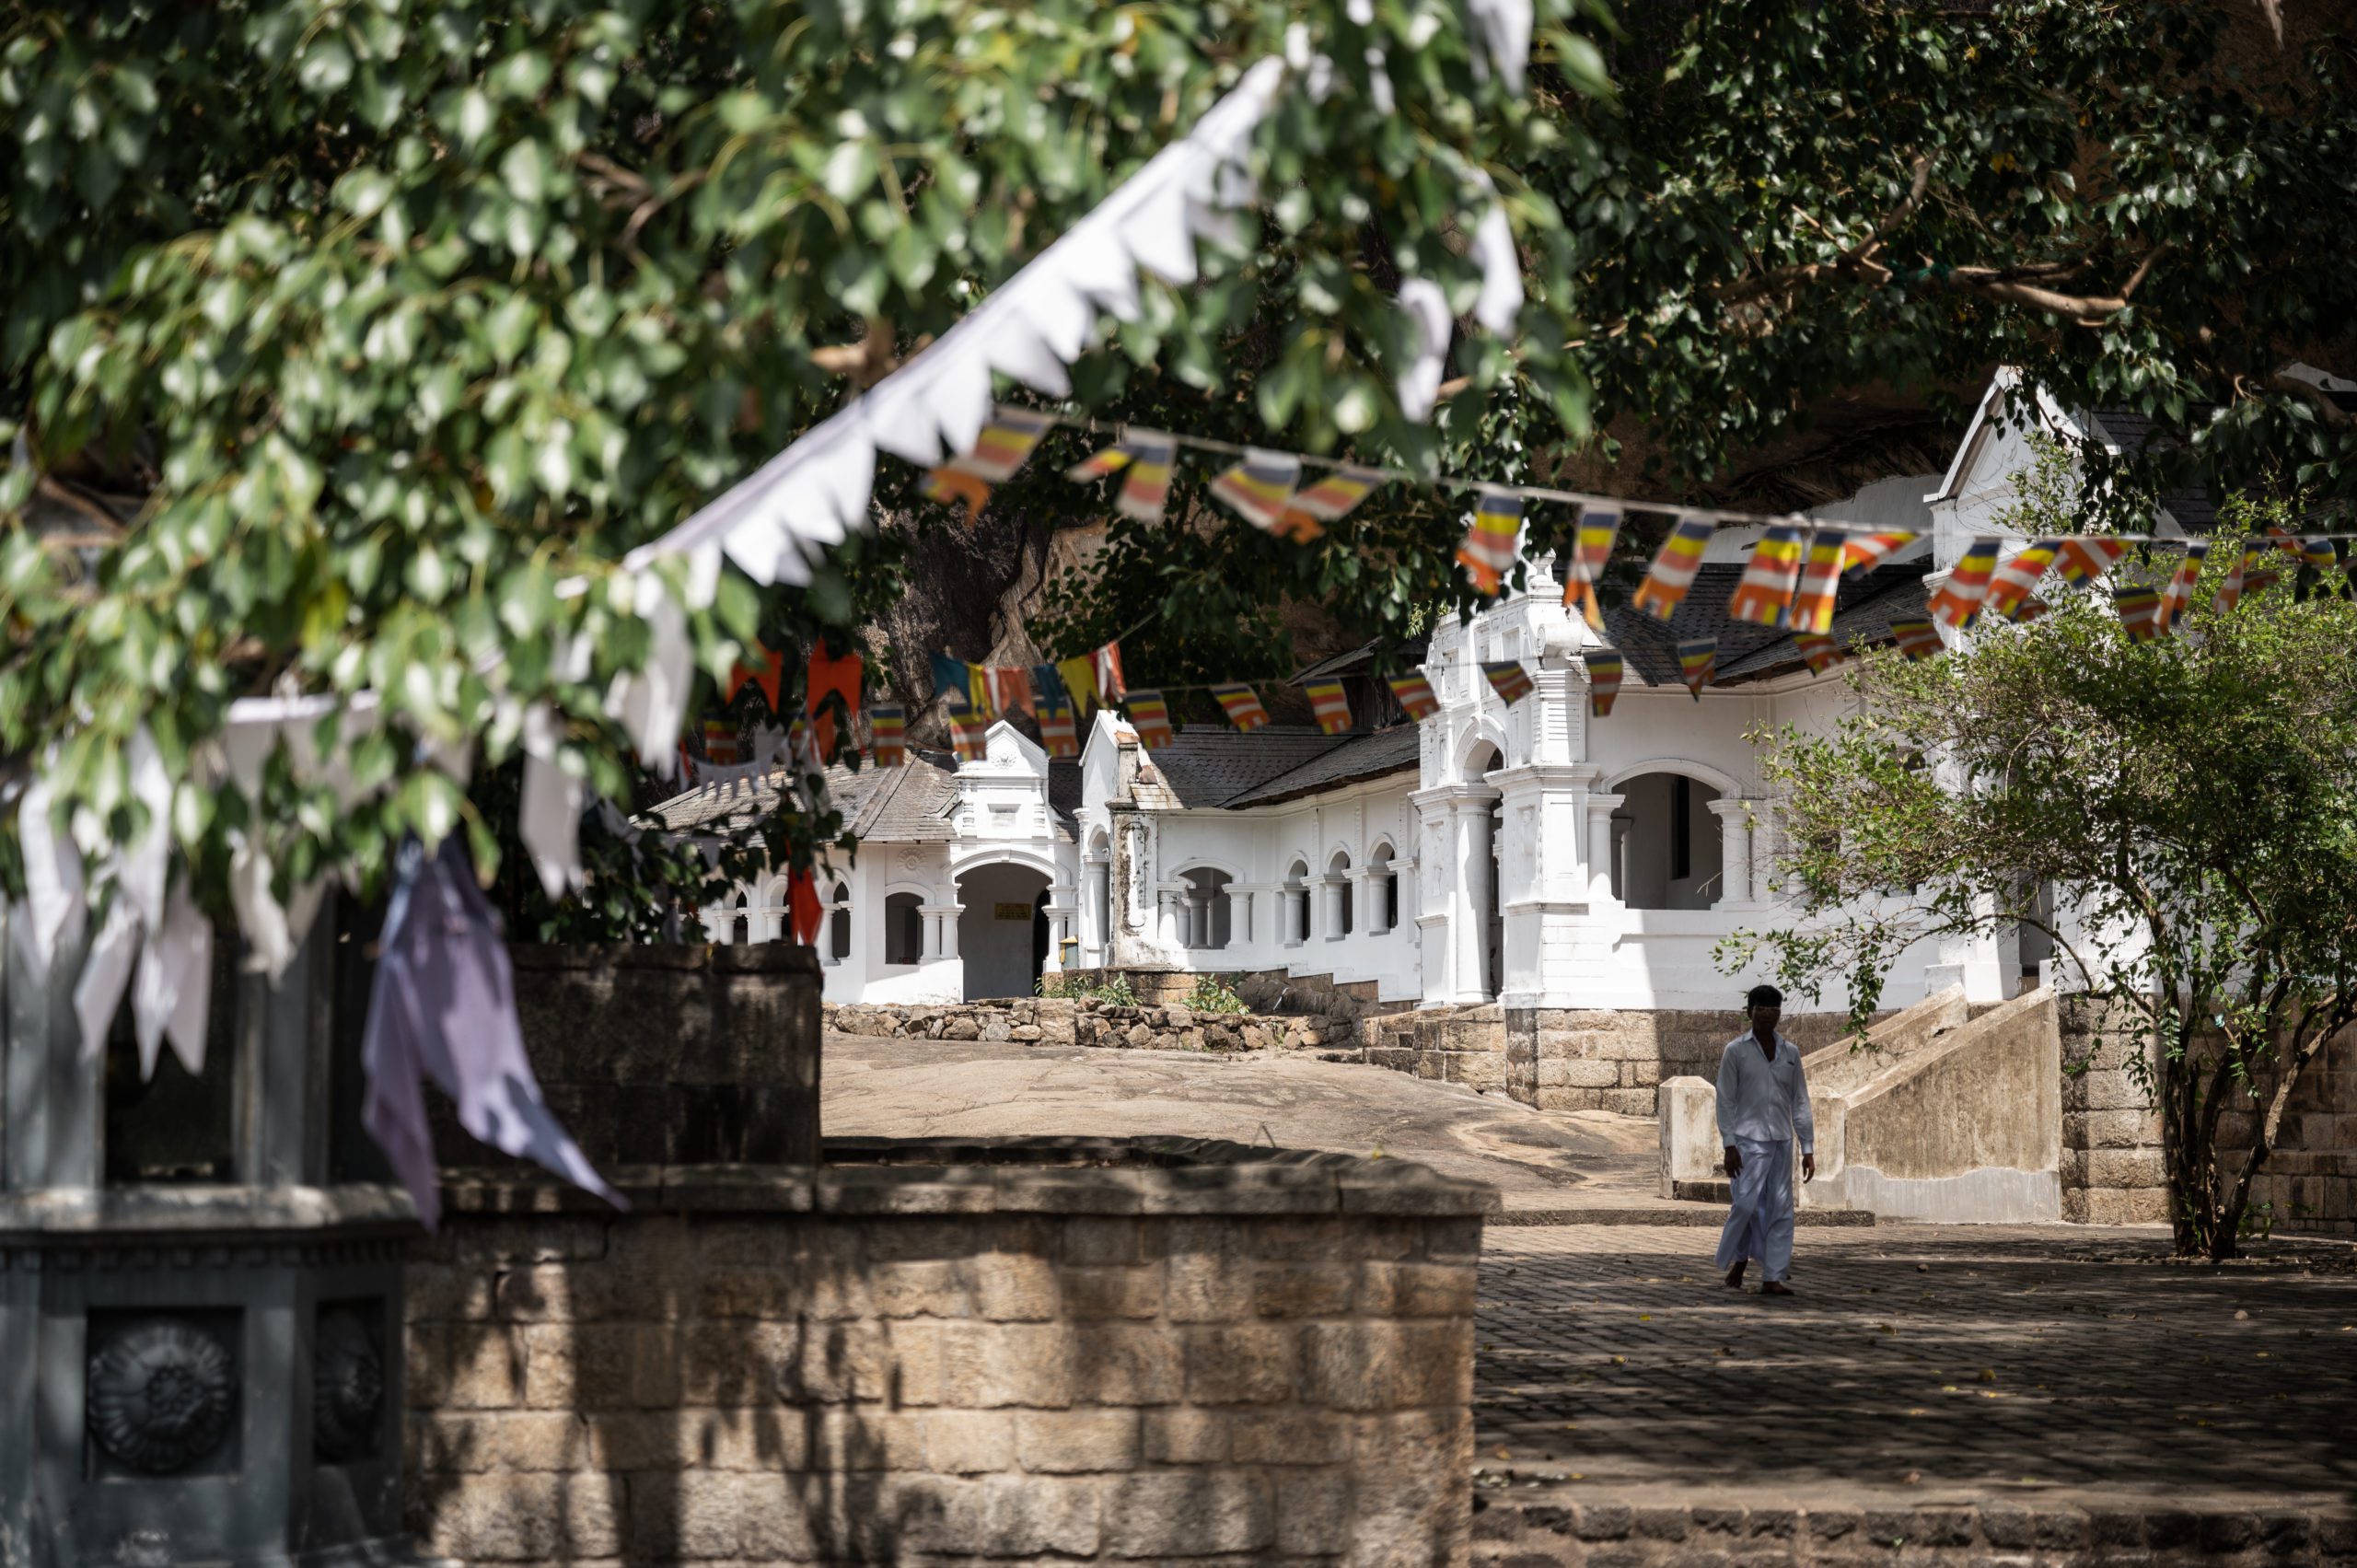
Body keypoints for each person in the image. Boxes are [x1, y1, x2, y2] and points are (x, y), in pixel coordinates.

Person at [1714, 983, 1815, 1295]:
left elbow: (1800, 1101)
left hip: (1782, 1141)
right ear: (1750, 1013)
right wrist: (1729, 1144)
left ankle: (1773, 1276)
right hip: (1747, 1142)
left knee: (1781, 1208)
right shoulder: (1736, 1051)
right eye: (1761, 1011)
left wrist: (1807, 1148)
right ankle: (1739, 1258)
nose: (1767, 1017)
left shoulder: (1790, 1053)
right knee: (1745, 1206)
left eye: (1774, 1011)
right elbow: (1725, 1099)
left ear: (1779, 1015)